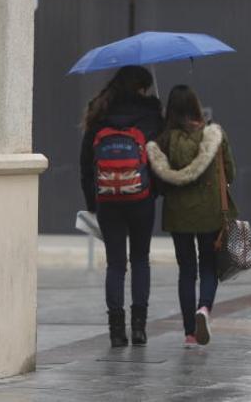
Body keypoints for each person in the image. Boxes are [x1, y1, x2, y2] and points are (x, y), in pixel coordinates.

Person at [146, 85, 237, 348]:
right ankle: (204, 309)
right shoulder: (213, 135)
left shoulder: (162, 141)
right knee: (208, 265)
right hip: (210, 212)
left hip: (178, 216)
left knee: (186, 270)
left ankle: (189, 333)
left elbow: (159, 184)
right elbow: (229, 173)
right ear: (196, 106)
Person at [80, 65, 163, 348]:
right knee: (140, 259)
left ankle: (116, 330)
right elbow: (158, 157)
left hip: (107, 201)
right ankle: (139, 328)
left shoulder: (100, 112)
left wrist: (93, 201)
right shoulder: (151, 114)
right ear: (142, 87)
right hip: (142, 198)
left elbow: (84, 164)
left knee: (115, 264)